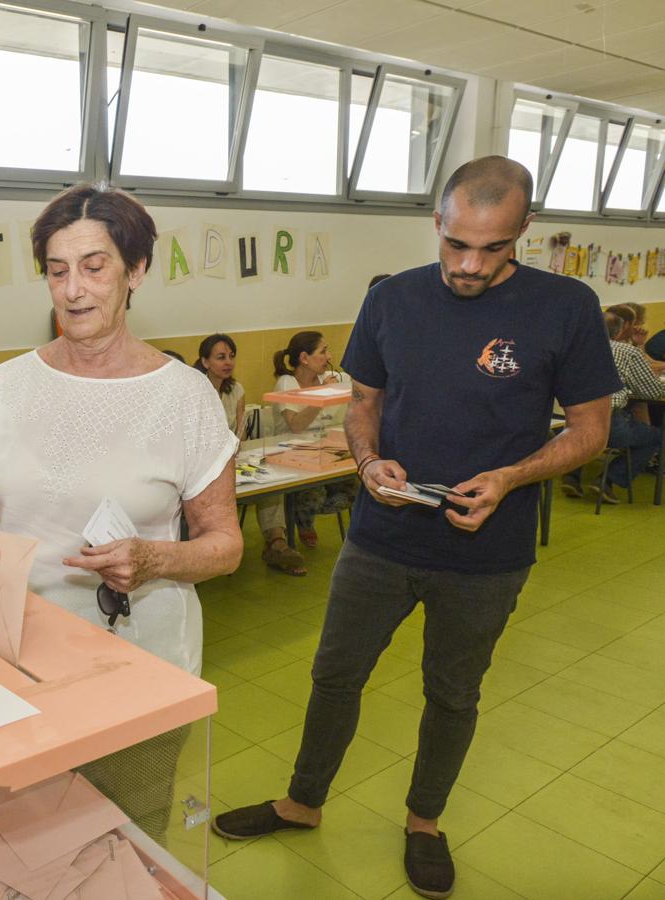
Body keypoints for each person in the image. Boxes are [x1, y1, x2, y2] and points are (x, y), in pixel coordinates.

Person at [212, 157, 617, 900]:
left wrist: (508, 479)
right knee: (335, 675)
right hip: (381, 537)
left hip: (487, 550)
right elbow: (362, 402)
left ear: (522, 232)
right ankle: (302, 802)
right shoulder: (393, 301)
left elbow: (592, 430)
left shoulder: (564, 306)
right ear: (437, 219)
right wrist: (368, 464)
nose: (468, 264)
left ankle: (424, 822)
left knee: (453, 693)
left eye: (491, 249)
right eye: (456, 243)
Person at [0, 182, 243, 839]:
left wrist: (155, 557)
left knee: (127, 832)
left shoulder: (184, 397)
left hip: (137, 655)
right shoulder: (6, 386)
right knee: (20, 833)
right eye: (57, 270)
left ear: (137, 271)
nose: (74, 290)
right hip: (16, 647)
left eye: (95, 267)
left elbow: (225, 544)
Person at [197, 332, 308, 577]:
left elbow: (239, 431)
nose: (228, 362)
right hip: (202, 464)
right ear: (205, 362)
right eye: (220, 357)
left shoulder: (236, 389)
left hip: (232, 456)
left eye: (231, 357)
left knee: (270, 482)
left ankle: (276, 542)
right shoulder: (195, 390)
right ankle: (210, 550)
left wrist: (236, 450)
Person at [562, 312, 664, 502]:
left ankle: (572, 477)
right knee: (655, 437)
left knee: (581, 434)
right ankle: (608, 480)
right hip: (610, 424)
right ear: (619, 332)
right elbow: (652, 392)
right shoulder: (627, 352)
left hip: (571, 419)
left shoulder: (572, 348)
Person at [269, 331, 355, 548]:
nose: (329, 357)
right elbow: (296, 425)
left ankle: (307, 520)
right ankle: (302, 524)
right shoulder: (287, 383)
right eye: (323, 351)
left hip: (324, 454)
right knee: (314, 494)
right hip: (290, 457)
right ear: (304, 358)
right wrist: (323, 394)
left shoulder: (336, 379)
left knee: (356, 488)